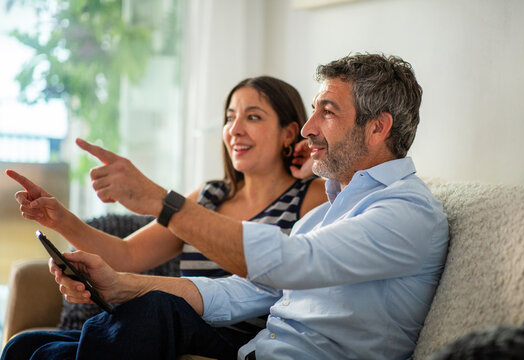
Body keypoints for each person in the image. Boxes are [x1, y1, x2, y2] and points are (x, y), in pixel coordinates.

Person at [3, 53, 449, 360]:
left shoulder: (406, 213)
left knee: (151, 313)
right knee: (26, 347)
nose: (309, 128)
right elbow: (247, 290)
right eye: (313, 111)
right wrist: (122, 285)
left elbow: (290, 263)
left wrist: (163, 201)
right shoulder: (326, 211)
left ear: (377, 129)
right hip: (251, 351)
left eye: (327, 112)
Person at [2, 76, 327, 358]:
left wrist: (316, 162)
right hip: (168, 330)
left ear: (289, 133)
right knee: (25, 346)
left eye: (253, 117)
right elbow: (126, 255)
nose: (235, 130)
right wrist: (59, 219)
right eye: (230, 117)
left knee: (156, 306)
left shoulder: (312, 196)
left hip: (244, 341)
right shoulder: (208, 197)